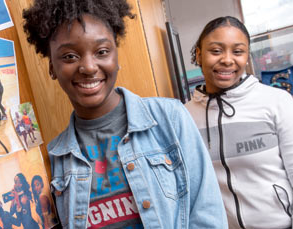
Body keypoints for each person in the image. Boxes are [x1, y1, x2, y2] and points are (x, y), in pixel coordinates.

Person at [22, 0, 227, 228]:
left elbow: (207, 216)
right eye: (70, 56)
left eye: (101, 51)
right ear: (52, 67)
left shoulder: (170, 118)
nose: (89, 67)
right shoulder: (55, 157)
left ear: (115, 57)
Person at [185, 16, 293, 228]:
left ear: (247, 57)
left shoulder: (276, 101)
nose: (228, 60)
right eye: (216, 50)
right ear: (199, 54)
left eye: (238, 51)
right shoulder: (184, 117)